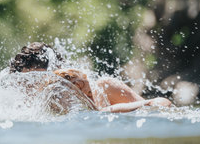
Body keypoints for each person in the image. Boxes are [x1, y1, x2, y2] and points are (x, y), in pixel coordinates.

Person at [10, 42, 172, 113]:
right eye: (25, 83)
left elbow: (161, 106)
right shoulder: (20, 110)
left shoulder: (105, 89)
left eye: (35, 82)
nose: (30, 89)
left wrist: (101, 112)